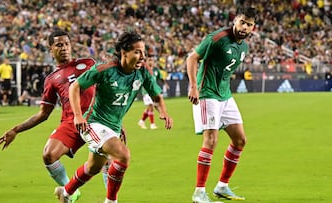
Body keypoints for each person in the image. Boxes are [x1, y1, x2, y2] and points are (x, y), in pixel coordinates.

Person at [54, 30, 173, 203]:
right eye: (137, 52)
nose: (142, 57)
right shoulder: (105, 69)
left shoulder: (143, 71)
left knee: (92, 168)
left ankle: (64, 192)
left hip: (114, 127)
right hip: (93, 124)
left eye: (144, 52)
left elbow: (156, 95)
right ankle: (111, 201)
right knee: (123, 155)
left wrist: (163, 111)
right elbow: (75, 87)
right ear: (124, 52)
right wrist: (78, 116)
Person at [0, 29, 97, 202]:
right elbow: (43, 113)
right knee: (48, 154)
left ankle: (111, 199)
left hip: (96, 118)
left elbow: (107, 89)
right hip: (71, 122)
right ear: (51, 49)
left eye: (66, 44)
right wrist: (16, 130)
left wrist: (115, 120)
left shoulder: (88, 63)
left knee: (106, 158)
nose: (64, 48)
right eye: (59, 45)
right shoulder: (51, 79)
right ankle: (71, 192)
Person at [186, 7, 257, 203]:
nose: (244, 27)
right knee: (211, 140)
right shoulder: (216, 38)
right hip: (207, 93)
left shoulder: (244, 48)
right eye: (242, 22)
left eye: (249, 24)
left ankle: (222, 186)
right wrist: (193, 86)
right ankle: (199, 192)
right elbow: (192, 58)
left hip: (225, 96)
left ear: (253, 28)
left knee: (240, 140)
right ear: (235, 20)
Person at [137, 55, 169, 130]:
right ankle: (152, 124)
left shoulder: (156, 70)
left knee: (150, 107)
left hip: (153, 91)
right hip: (146, 91)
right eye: (149, 60)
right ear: (146, 61)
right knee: (151, 106)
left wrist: (166, 84)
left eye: (152, 60)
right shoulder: (144, 69)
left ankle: (141, 121)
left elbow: (161, 78)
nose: (151, 62)